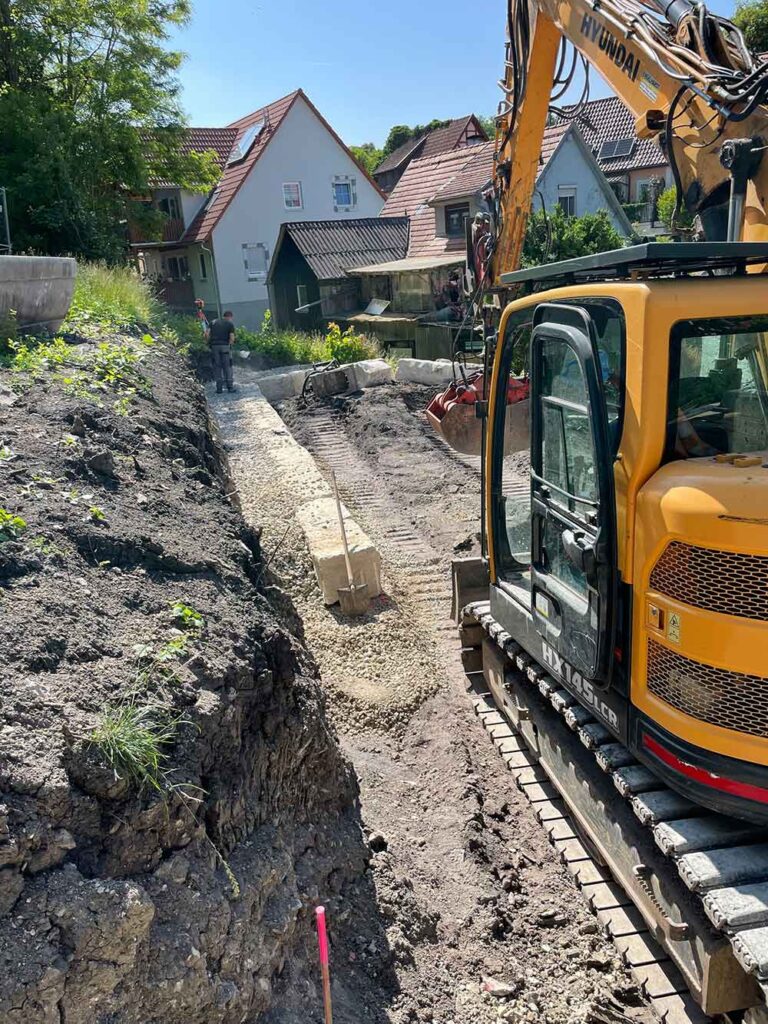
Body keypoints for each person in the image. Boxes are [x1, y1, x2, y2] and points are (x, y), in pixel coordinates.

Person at [206, 311, 237, 394]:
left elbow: (207, 334)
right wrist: (230, 344)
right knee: (227, 366)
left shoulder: (213, 322)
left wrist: (209, 343)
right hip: (225, 347)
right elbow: (232, 338)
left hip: (214, 347)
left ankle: (219, 388)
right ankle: (230, 387)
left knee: (217, 366)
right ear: (230, 317)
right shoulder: (229, 324)